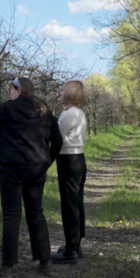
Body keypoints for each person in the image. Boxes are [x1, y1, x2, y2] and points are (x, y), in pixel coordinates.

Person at [0, 77, 62, 278]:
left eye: (11, 89)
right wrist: (45, 162)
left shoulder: (10, 108)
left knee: (11, 215)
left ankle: (7, 267)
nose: (9, 93)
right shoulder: (44, 111)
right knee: (36, 213)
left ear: (17, 90)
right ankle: (45, 263)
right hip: (36, 170)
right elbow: (58, 141)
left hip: (11, 170)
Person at [51, 80, 87, 265]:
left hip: (68, 161)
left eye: (63, 91)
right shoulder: (79, 113)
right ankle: (76, 244)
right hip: (78, 159)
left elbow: (55, 136)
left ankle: (70, 250)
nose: (60, 94)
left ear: (70, 94)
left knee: (69, 204)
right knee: (76, 201)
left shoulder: (68, 115)